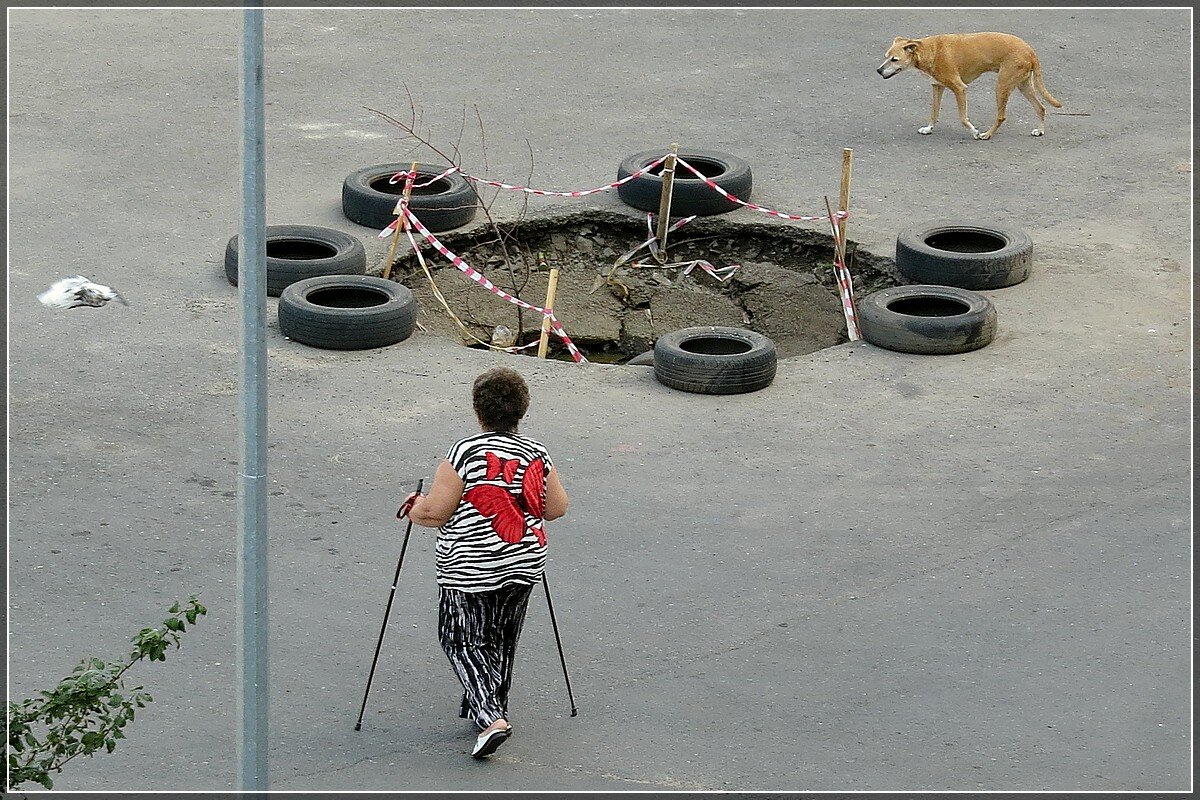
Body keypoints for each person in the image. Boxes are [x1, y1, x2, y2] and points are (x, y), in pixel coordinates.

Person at [402, 367, 569, 759]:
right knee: (500, 638)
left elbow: (435, 514)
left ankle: (492, 718)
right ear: (522, 411)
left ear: (479, 411)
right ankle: (489, 706)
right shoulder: (537, 453)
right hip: (525, 559)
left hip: (471, 565)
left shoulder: (464, 452)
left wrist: (414, 505)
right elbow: (556, 508)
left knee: (459, 638)